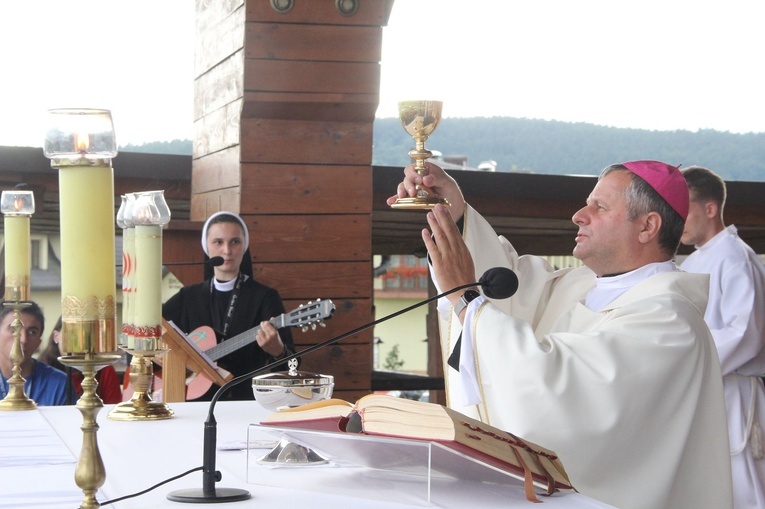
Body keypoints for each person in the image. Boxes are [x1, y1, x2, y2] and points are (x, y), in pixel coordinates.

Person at [388, 160, 733, 509]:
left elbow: (558, 386)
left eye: (599, 207)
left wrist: (464, 296)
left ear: (647, 226)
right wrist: (456, 212)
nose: (579, 215)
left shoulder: (669, 322)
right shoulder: (579, 285)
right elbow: (508, 287)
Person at [679, 166, 765, 508]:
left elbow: (746, 332)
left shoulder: (735, 257)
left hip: (733, 391)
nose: (678, 218)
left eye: (685, 209)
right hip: (707, 387)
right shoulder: (693, 262)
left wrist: (689, 355)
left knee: (742, 483)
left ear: (710, 208)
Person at [162, 211, 295, 401]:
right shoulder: (188, 297)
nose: (227, 250)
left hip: (243, 403)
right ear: (206, 247)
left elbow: (293, 368)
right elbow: (152, 329)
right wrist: (162, 358)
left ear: (244, 246)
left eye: (235, 242)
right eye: (218, 242)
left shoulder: (264, 297)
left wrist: (278, 351)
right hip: (191, 403)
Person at [38, 316, 123, 405]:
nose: (78, 341)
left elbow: (111, 410)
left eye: (84, 334)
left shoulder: (104, 370)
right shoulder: (42, 370)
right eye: (71, 332)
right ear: (56, 336)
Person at [0, 301, 68, 405]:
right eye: (14, 329)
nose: (23, 339)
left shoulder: (59, 384)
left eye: (32, 332)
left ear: (39, 343)